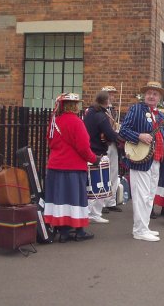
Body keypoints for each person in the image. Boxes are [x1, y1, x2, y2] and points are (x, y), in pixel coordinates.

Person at [44, 93, 100, 243]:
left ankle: (63, 232)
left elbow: (50, 142)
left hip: (55, 166)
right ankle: (79, 231)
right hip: (73, 167)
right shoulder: (77, 122)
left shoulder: (54, 121)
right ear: (73, 106)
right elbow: (83, 147)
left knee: (60, 199)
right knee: (76, 199)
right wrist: (94, 159)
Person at [119, 81, 164, 242]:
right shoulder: (136, 109)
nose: (151, 96)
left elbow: (163, 140)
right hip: (140, 160)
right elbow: (123, 130)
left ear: (159, 97)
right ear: (144, 95)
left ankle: (144, 226)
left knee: (149, 196)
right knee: (141, 195)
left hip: (156, 160)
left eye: (155, 94)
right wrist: (139, 136)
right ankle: (139, 230)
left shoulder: (160, 116)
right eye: (149, 93)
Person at [83, 89, 119, 223]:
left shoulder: (90, 112)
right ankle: (94, 214)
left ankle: (90, 212)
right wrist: (120, 138)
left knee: (91, 184)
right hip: (98, 152)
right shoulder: (101, 116)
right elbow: (109, 133)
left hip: (90, 150)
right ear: (105, 101)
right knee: (99, 184)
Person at [101, 85, 124, 214]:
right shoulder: (100, 111)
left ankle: (111, 201)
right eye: (109, 94)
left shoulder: (113, 111)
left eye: (113, 94)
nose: (112, 96)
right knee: (103, 173)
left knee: (114, 173)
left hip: (114, 144)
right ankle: (102, 202)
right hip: (104, 145)